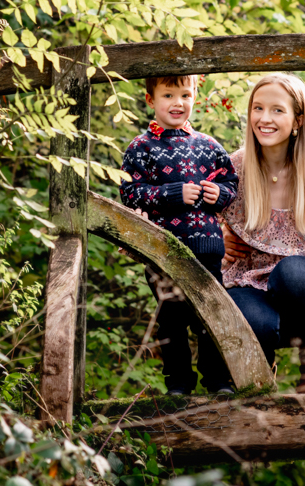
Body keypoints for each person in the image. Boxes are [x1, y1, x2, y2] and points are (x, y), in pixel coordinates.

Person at [221, 73, 305, 394]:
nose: (265, 118)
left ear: (297, 119)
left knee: (291, 271)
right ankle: (259, 387)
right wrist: (218, 234)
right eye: (258, 108)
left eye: (277, 110)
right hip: (250, 282)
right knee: (254, 324)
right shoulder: (233, 169)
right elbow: (194, 214)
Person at [119, 74, 239, 395]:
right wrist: (172, 193)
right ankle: (179, 385)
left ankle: (217, 381)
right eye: (168, 95)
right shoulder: (141, 147)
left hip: (209, 248)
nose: (178, 103)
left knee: (211, 317)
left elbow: (231, 183)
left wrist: (220, 194)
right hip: (163, 251)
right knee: (172, 319)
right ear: (151, 100)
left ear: (195, 97)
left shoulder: (208, 145)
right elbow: (130, 192)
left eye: (185, 95)